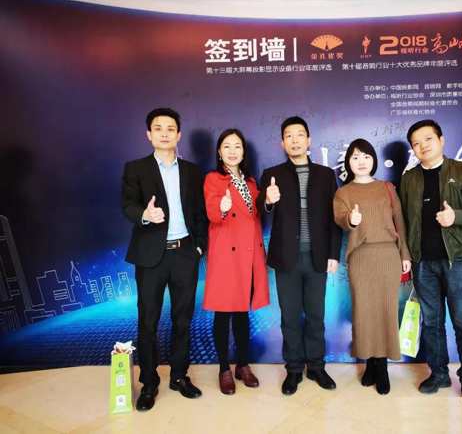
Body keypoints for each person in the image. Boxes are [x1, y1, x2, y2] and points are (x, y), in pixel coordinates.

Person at [122, 108, 207, 411]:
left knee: (183, 320)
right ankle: (149, 382)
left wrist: (199, 247)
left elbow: (200, 213)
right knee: (148, 322)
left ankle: (179, 376)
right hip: (150, 257)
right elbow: (127, 205)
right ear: (149, 134)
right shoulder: (136, 168)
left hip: (185, 253)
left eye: (170, 128)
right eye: (158, 128)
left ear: (179, 134)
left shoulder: (192, 171)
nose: (164, 133)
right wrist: (144, 215)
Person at [400, 119, 462, 403]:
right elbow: (403, 221)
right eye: (416, 143)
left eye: (428, 139)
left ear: (441, 140)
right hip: (423, 263)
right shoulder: (409, 179)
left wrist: (456, 217)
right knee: (431, 323)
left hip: (457, 261)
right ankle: (438, 373)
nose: (422, 146)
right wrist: (406, 255)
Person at [257, 116, 342, 395]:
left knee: (316, 315)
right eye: (289, 136)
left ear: (309, 140)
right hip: (286, 259)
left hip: (317, 258)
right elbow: (260, 212)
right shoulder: (272, 174)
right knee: (290, 317)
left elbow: (333, 219)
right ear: (282, 143)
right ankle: (293, 369)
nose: (294, 140)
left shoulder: (325, 175)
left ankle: (316, 366)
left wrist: (333, 254)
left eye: (299, 135)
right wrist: (268, 201)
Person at [333, 139, 411, 395]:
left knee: (386, 311)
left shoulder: (387, 188)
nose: (361, 161)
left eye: (366, 156)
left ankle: (382, 366)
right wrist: (351, 219)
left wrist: (404, 253)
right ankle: (369, 362)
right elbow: (340, 218)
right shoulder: (343, 193)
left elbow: (400, 220)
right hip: (360, 257)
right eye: (355, 157)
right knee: (364, 312)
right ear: (348, 162)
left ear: (373, 160)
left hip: (388, 254)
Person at [203, 129, 270, 395]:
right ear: (219, 152)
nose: (232, 151)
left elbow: (258, 215)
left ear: (244, 152)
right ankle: (223, 368)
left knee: (243, 312)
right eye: (227, 146)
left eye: (237, 146)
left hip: (250, 254)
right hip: (226, 255)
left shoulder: (252, 182)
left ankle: (242, 365)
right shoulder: (213, 179)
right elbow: (211, 212)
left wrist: (269, 202)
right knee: (223, 312)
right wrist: (221, 206)